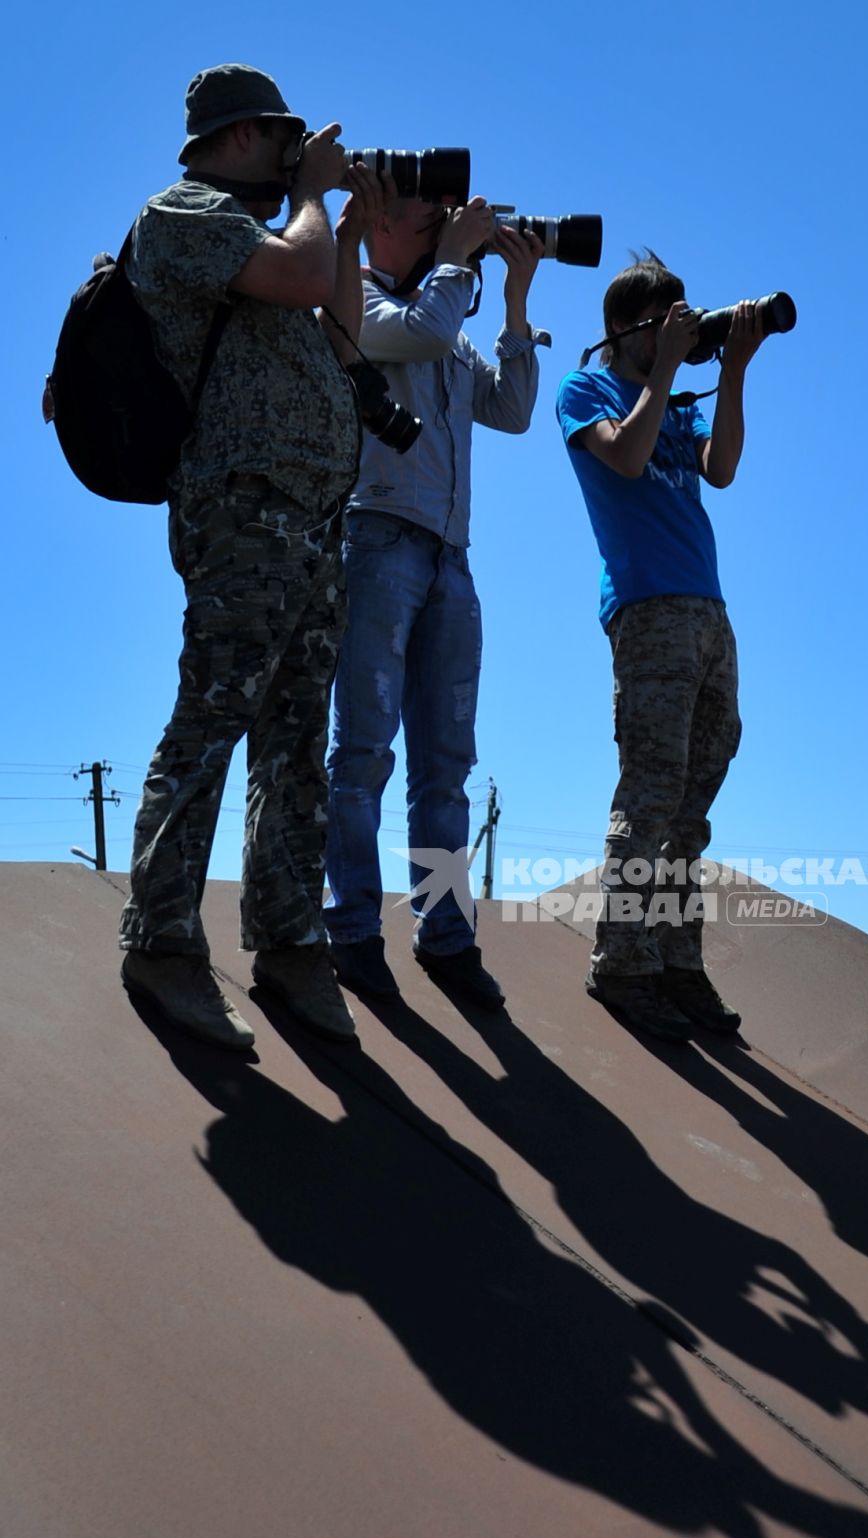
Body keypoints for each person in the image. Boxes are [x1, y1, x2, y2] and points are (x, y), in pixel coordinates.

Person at [118, 65, 380, 1049]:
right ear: (239, 139)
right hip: (242, 508)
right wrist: (314, 197)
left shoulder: (287, 231)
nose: (294, 154)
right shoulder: (182, 212)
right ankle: (161, 942)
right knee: (215, 716)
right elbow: (298, 281)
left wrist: (348, 221)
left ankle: (290, 941)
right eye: (284, 140)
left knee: (296, 742)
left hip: (312, 514)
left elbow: (339, 322)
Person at [321, 190, 546, 1008]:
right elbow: (416, 331)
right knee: (364, 752)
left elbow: (514, 410)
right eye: (426, 216)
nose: (446, 229)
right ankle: (349, 928)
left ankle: (445, 934)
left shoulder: (447, 323)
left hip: (452, 560)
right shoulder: (367, 302)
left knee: (445, 766)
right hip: (379, 542)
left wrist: (515, 303)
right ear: (379, 224)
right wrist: (457, 255)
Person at [556, 255, 763, 1042]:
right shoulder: (589, 390)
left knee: (691, 808)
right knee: (650, 792)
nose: (679, 330)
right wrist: (665, 370)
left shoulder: (675, 396)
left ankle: (677, 963)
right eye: (666, 320)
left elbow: (724, 468)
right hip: (647, 613)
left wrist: (733, 368)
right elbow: (628, 457)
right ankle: (621, 964)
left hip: (710, 612)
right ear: (627, 329)